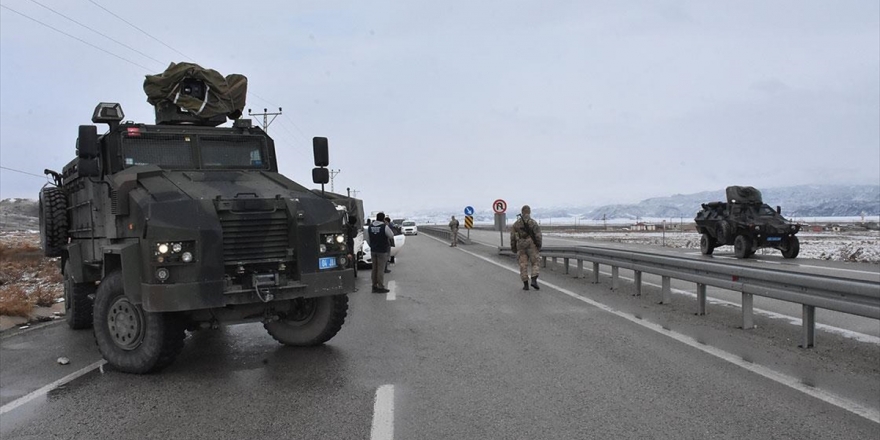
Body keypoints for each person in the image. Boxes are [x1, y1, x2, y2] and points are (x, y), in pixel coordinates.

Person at [510, 205, 542, 291]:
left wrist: (513, 248)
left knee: (523, 264)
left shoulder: (516, 224)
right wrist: (538, 245)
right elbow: (538, 235)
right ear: (529, 212)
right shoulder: (533, 223)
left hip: (521, 244)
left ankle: (525, 284)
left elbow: (513, 237)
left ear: (522, 212)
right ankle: (534, 280)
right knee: (535, 262)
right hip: (531, 244)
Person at [368, 212, 394, 293]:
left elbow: (368, 239)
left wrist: (372, 245)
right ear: (383, 218)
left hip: (373, 250)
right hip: (382, 250)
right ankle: (380, 286)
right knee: (380, 269)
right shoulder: (384, 227)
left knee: (374, 269)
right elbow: (391, 235)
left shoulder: (370, 226)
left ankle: (374, 285)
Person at [345, 215, 359, 279]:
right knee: (350, 259)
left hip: (347, 245)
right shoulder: (350, 228)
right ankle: (351, 274)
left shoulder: (346, 226)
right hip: (349, 245)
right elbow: (354, 235)